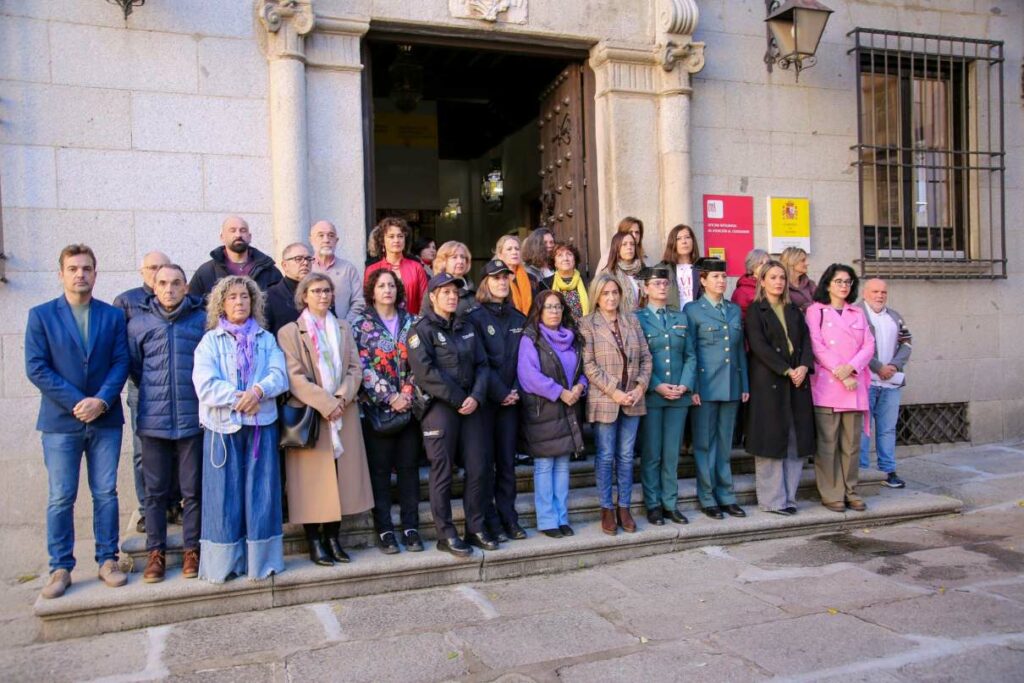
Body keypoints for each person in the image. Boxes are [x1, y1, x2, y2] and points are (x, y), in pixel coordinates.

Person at [26, 244, 130, 599]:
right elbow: (36, 367)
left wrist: (101, 401)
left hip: (105, 420)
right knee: (60, 496)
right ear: (61, 274)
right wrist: (78, 402)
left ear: (95, 274)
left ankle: (107, 560)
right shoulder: (41, 316)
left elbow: (121, 362)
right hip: (60, 422)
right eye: (73, 269)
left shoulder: (112, 316)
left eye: (86, 268)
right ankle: (60, 567)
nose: (80, 274)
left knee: (105, 492)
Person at [192, 275, 288, 582]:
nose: (239, 302)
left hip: (260, 425)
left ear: (254, 302)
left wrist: (258, 391)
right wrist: (240, 399)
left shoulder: (266, 338)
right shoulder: (210, 341)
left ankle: (261, 563)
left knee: (261, 492)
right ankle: (223, 565)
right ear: (221, 303)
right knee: (223, 495)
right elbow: (205, 385)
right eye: (232, 297)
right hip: (222, 427)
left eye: (244, 297)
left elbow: (279, 375)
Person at [277, 273, 373, 566]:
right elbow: (294, 377)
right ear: (304, 296)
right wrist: (326, 403)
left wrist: (341, 399)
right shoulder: (290, 332)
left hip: (344, 412)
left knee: (340, 479)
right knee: (312, 483)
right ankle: (315, 541)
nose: (323, 296)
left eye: (327, 291)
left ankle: (334, 537)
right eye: (316, 291)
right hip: (312, 414)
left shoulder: (343, 327)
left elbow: (355, 368)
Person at [127, 264, 206, 582]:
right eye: (163, 283)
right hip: (154, 421)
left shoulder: (201, 322)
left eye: (176, 283)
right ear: (153, 288)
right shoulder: (139, 325)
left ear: (186, 287)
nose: (169, 289)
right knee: (155, 493)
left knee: (193, 490)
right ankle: (155, 553)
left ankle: (192, 550)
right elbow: (135, 370)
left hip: (191, 418)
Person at [407, 273, 492, 556]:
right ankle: (446, 533)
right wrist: (459, 399)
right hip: (441, 407)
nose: (452, 296)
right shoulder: (421, 330)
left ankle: (475, 528)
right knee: (442, 470)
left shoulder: (467, 326)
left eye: (455, 292)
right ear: (432, 297)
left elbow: (483, 365)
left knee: (479, 466)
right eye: (444, 292)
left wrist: (476, 397)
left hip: (472, 405)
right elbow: (426, 373)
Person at [355, 269, 423, 554]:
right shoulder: (360, 325)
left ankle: (411, 528)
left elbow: (420, 362)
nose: (387, 290)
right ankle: (384, 529)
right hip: (377, 410)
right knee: (380, 472)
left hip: (409, 409)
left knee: (408, 470)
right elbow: (361, 366)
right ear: (372, 291)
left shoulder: (413, 322)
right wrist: (388, 396)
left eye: (392, 285)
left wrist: (406, 394)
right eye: (381, 285)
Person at [580, 273, 652, 535]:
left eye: (614, 292)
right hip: (605, 400)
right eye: (605, 293)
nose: (611, 297)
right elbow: (588, 365)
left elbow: (646, 357)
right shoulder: (587, 324)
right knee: (606, 456)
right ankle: (606, 507)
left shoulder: (632, 321)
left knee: (625, 456)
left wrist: (639, 387)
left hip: (633, 398)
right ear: (597, 297)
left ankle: (624, 506)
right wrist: (615, 392)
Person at [744, 260, 816, 516]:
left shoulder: (794, 310)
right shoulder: (755, 310)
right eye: (772, 277)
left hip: (797, 383)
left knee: (795, 442)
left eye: (782, 277)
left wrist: (804, 367)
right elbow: (759, 346)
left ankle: (790, 497)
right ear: (762, 281)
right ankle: (773, 500)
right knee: (770, 442)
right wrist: (786, 370)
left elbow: (808, 342)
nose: (778, 282)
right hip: (771, 383)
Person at [466, 259, 528, 542]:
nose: (502, 282)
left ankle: (508, 518)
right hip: (486, 403)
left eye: (506, 278)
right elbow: (480, 363)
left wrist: (514, 390)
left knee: (507, 463)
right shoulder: (474, 318)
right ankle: (487, 519)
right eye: (496, 278)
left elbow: (524, 360)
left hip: (512, 402)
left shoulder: (518, 318)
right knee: (484, 465)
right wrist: (500, 392)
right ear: (485, 283)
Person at [517, 290, 587, 538]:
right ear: (539, 310)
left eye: (558, 307)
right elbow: (529, 376)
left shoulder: (572, 337)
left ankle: (562, 517)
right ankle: (547, 520)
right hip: (544, 410)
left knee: (563, 466)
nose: (554, 311)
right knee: (545, 466)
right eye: (548, 307)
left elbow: (582, 367)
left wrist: (580, 386)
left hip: (569, 409)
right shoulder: (531, 338)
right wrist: (560, 392)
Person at [113, 250, 174, 534]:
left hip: (173, 389)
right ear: (142, 271)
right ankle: (147, 508)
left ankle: (174, 503)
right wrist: (145, 380)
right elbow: (124, 350)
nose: (157, 272)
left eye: (163, 267)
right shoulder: (127, 301)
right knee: (142, 453)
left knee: (174, 448)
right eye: (152, 267)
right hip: (142, 389)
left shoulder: (179, 299)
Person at [684, 258, 749, 520]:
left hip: (731, 385)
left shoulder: (733, 310)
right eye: (715, 277)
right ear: (702, 280)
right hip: (705, 386)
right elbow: (690, 351)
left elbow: (738, 350)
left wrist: (744, 383)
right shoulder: (692, 310)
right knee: (704, 444)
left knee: (724, 445)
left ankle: (727, 495)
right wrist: (693, 387)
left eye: (724, 277)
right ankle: (707, 496)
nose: (721, 281)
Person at [806, 264, 875, 513]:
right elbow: (816, 345)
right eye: (838, 281)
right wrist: (841, 371)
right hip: (828, 386)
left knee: (851, 445)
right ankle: (831, 492)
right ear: (827, 284)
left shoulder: (857, 313)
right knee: (827, 445)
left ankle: (851, 490)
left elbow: (869, 345)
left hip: (854, 386)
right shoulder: (816, 312)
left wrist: (852, 369)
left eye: (847, 282)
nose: (843, 286)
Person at [635, 267, 696, 526]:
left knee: (671, 453)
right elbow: (636, 358)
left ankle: (670, 503)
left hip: (678, 396)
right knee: (652, 453)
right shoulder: (637, 319)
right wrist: (656, 385)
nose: (662, 287)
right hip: (653, 395)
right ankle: (653, 504)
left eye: (665, 283)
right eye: (656, 283)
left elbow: (691, 355)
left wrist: (685, 385)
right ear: (645, 288)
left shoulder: (680, 317)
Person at [859, 278, 912, 490]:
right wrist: (877, 366)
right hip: (866, 382)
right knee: (863, 429)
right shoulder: (857, 314)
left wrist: (893, 366)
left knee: (888, 429)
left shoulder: (894, 316)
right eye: (875, 291)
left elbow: (906, 343)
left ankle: (888, 470)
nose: (879, 296)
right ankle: (862, 471)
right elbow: (855, 346)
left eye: (883, 292)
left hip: (891, 382)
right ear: (865, 293)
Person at [188, 215, 282, 298]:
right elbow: (194, 306)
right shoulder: (206, 272)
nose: (238, 235)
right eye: (232, 231)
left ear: (249, 237)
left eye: (243, 230)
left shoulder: (269, 271)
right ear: (222, 237)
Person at [364, 216, 429, 315]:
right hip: (381, 326)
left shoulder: (416, 267)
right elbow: (368, 302)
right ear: (382, 241)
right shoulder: (372, 269)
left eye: (400, 236)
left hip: (413, 325)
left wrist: (417, 327)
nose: (396, 240)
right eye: (391, 236)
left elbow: (425, 302)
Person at [309, 220, 366, 323]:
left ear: (336, 240)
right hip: (311, 332)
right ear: (311, 240)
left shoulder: (348, 269)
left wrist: (344, 326)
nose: (326, 240)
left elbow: (359, 302)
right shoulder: (306, 268)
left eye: (331, 235)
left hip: (343, 332)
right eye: (321, 235)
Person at [265, 242, 313, 335]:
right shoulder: (269, 297)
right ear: (284, 265)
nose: (305, 263)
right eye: (298, 259)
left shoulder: (322, 292)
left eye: (308, 259)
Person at [423, 241, 476, 316]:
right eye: (454, 257)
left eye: (463, 257)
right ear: (443, 262)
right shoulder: (434, 289)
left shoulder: (474, 288)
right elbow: (424, 322)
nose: (460, 261)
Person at [657, 224, 703, 310]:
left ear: (693, 241)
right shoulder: (663, 268)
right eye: (678, 238)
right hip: (672, 318)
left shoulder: (702, 267)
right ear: (672, 242)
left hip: (697, 318)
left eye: (687, 237)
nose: (684, 241)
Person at [542, 241, 590, 323]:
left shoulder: (588, 283)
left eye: (569, 254)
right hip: (558, 331)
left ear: (574, 259)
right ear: (555, 263)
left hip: (584, 330)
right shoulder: (544, 284)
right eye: (560, 255)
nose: (565, 258)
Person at [597, 231, 643, 311]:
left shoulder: (642, 270)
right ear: (617, 248)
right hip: (618, 320)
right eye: (624, 244)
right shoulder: (608, 274)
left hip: (643, 320)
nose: (629, 247)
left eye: (632, 244)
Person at [494, 234, 538, 316]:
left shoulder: (532, 279)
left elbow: (538, 306)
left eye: (517, 249)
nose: (514, 252)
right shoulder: (494, 279)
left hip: (530, 325)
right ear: (500, 255)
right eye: (509, 249)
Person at [731, 248, 770, 321]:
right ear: (752, 265)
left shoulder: (772, 284)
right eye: (761, 263)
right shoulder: (742, 291)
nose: (765, 266)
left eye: (767, 263)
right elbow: (740, 319)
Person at [781, 247, 816, 312]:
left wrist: (803, 307)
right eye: (803, 260)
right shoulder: (781, 285)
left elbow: (821, 303)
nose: (807, 263)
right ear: (792, 262)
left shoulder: (810, 284)